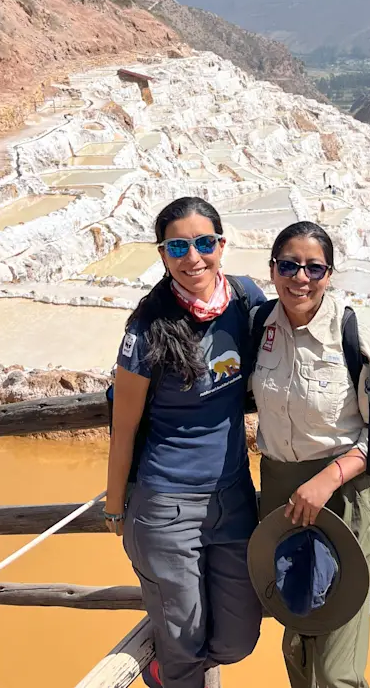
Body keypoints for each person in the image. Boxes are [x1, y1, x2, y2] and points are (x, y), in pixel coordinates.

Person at [105, 196, 266, 688]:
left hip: (233, 497)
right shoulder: (147, 327)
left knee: (238, 638)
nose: (192, 256)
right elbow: (125, 426)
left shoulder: (245, 300)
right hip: (167, 504)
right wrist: (115, 508)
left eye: (203, 243)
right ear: (162, 254)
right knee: (184, 642)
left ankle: (170, 671)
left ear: (221, 244)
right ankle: (171, 675)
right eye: (178, 246)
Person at [251, 221, 370, 688]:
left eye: (314, 267)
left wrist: (329, 477)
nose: (301, 277)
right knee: (296, 623)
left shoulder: (352, 333)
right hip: (280, 491)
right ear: (272, 269)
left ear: (330, 273)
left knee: (337, 659)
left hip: (343, 493)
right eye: (289, 265)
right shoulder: (259, 326)